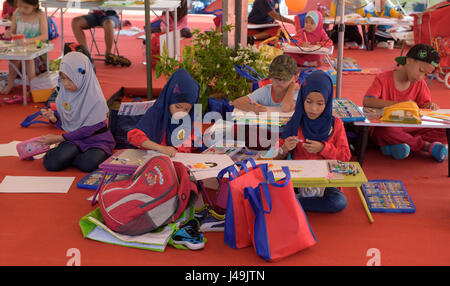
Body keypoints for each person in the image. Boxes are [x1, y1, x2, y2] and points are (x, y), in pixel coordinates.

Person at [276, 70, 351, 213]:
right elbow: (274, 156)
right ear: (302, 98)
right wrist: (284, 149)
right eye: (308, 102)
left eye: (320, 103)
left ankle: (292, 203)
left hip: (326, 181)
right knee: (268, 186)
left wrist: (323, 148)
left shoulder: (335, 124)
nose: (313, 109)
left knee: (339, 201)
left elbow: (345, 157)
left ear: (328, 101)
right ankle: (291, 201)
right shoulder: (295, 121)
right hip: (298, 180)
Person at [363, 43, 448, 162]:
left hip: (410, 127)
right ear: (408, 61)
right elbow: (367, 101)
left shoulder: (420, 84)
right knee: (385, 131)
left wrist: (429, 106)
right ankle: (426, 146)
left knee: (445, 130)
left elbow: (424, 106)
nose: (421, 77)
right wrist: (399, 106)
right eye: (420, 71)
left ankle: (394, 146)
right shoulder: (383, 79)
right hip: (388, 126)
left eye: (426, 75)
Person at [39, 52, 115, 172]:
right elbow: (69, 121)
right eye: (63, 78)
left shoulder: (96, 99)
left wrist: (59, 139)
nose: (65, 83)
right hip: (74, 140)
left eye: (70, 79)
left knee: (89, 163)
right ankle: (71, 155)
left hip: (96, 141)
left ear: (83, 76)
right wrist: (54, 118)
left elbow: (88, 129)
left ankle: (70, 156)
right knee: (51, 164)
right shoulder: (65, 94)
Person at [127, 68, 200, 158]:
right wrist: (161, 148)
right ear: (169, 100)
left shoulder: (187, 119)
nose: (181, 113)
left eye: (186, 109)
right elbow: (133, 136)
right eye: (178, 107)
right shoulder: (155, 113)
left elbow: (190, 143)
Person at [0, 0, 48, 95]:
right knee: (15, 58)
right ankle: (10, 83)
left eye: (25, 7)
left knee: (28, 58)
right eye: (19, 6)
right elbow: (13, 31)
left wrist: (27, 41)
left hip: (37, 52)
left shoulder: (40, 15)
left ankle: (32, 86)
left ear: (34, 6)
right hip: (20, 49)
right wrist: (9, 34)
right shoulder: (17, 13)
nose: (21, 9)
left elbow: (44, 36)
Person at [232, 54, 299, 113]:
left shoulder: (296, 93)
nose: (280, 82)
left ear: (295, 78)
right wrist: (253, 108)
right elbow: (237, 102)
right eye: (276, 78)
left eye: (284, 79)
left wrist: (292, 86)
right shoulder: (266, 91)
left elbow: (286, 108)